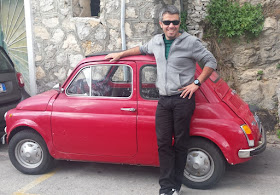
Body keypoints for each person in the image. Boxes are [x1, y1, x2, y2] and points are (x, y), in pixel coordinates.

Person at [105, 5, 217, 195]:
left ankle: (176, 186)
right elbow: (140, 48)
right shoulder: (156, 41)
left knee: (181, 144)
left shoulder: (190, 42)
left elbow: (211, 62)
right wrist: (120, 54)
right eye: (167, 22)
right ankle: (166, 188)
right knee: (163, 144)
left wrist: (197, 83)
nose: (171, 26)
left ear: (179, 23)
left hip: (183, 99)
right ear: (161, 24)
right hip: (164, 100)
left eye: (175, 22)